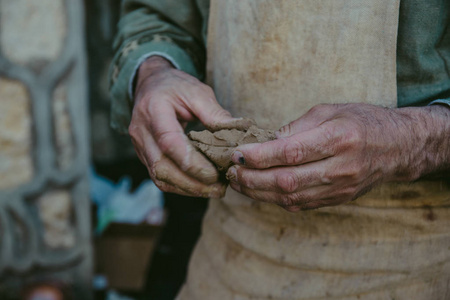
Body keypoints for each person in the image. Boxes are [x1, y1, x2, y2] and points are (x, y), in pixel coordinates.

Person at [109, 1, 450, 299]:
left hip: (421, 258)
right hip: (233, 252)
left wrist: (415, 140)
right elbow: (157, 14)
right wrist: (153, 72)